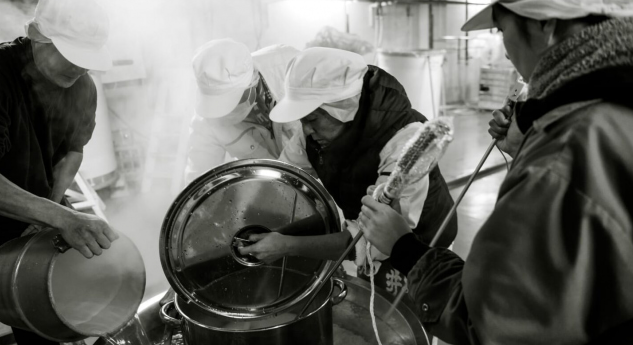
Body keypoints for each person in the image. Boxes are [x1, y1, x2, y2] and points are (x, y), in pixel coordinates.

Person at [358, 0, 633, 345]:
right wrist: (529, 140)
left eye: (501, 28)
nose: (505, 47)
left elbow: (494, 321)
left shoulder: (574, 149)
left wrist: (406, 249)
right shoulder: (618, 112)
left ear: (544, 23)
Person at [0, 0, 119, 345]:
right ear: (36, 34)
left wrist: (52, 205)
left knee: (80, 298)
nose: (78, 67)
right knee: (32, 320)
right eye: (70, 54)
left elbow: (73, 150)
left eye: (86, 57)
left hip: (47, 207)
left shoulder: (82, 86)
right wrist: (55, 215)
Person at [239, 47, 457, 296]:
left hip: (421, 243)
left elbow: (373, 239)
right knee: (373, 300)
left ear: (342, 109)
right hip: (371, 236)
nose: (306, 130)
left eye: (312, 119)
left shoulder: (403, 140)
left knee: (407, 313)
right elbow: (280, 179)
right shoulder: (314, 135)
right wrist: (247, 214)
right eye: (302, 120)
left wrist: (287, 245)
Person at [186, 39, 301, 181]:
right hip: (270, 186)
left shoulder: (292, 67)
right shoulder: (205, 120)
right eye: (219, 107)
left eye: (230, 103)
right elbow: (199, 176)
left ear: (252, 81)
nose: (226, 113)